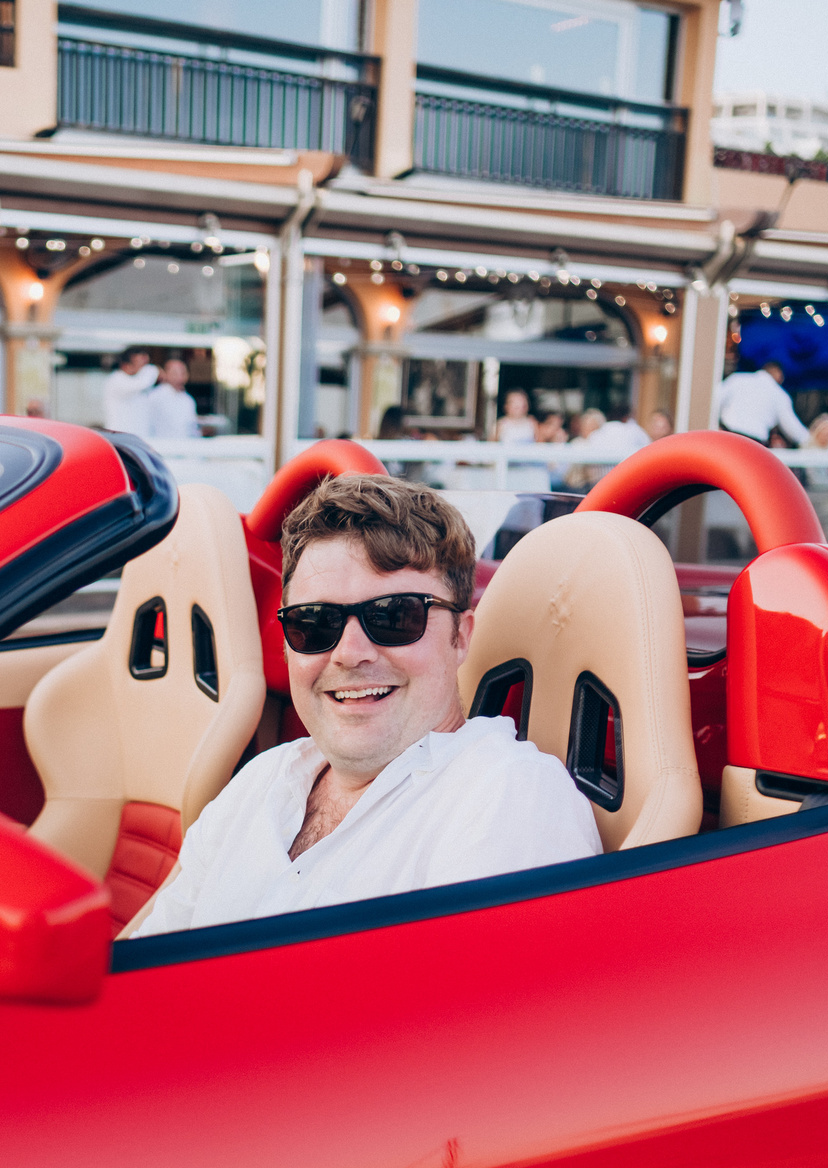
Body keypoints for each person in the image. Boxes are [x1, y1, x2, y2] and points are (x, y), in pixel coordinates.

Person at [124, 473, 598, 936]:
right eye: (315, 623)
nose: (350, 653)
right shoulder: (259, 782)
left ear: (461, 637)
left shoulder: (506, 799)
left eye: (395, 617)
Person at [714, 359, 810, 448]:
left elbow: (714, 401)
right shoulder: (779, 394)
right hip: (754, 444)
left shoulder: (737, 379)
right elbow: (793, 429)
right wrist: (812, 442)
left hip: (727, 437)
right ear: (780, 376)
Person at [141, 357, 201, 440]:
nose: (180, 378)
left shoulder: (188, 400)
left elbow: (192, 429)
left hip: (186, 448)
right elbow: (145, 425)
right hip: (162, 448)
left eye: (183, 373)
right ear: (165, 374)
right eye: (175, 373)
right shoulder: (154, 397)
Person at [102, 349, 158, 436]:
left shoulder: (139, 380)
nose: (143, 368)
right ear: (126, 365)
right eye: (140, 363)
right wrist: (153, 369)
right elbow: (144, 381)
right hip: (120, 438)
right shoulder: (116, 380)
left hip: (140, 437)